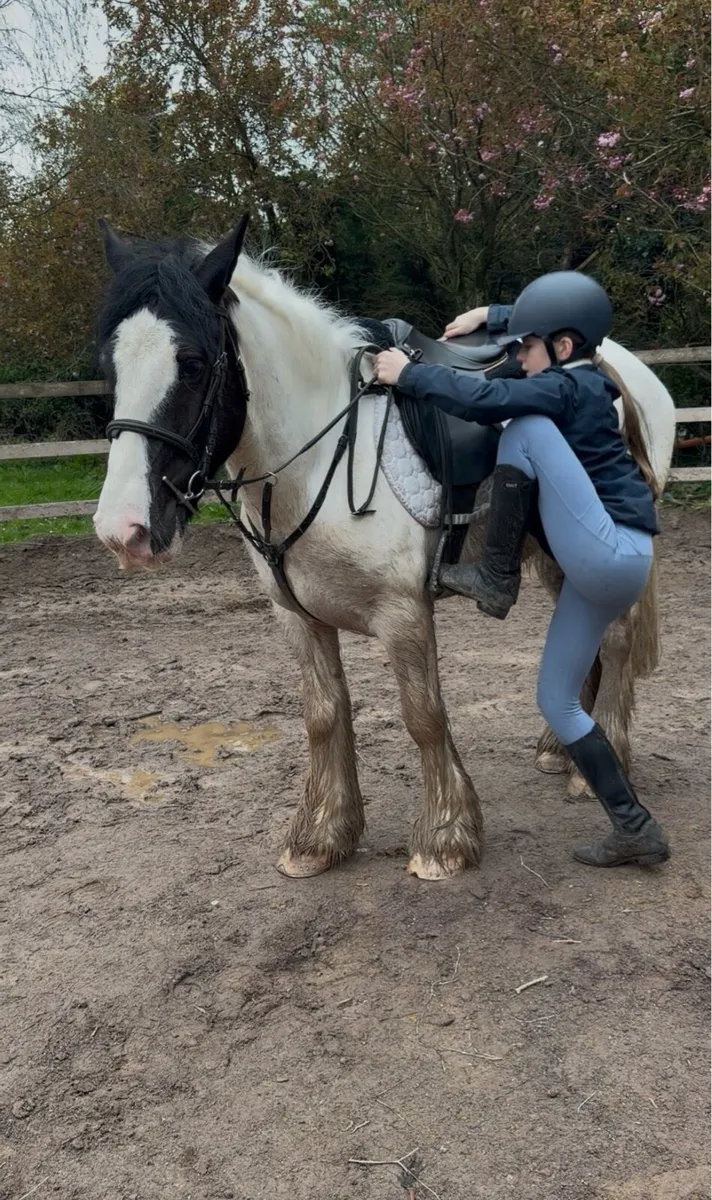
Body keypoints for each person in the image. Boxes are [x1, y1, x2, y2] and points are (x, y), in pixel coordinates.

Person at [373, 271, 670, 870]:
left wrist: (408, 375)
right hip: (598, 573)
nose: (516, 360)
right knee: (556, 699)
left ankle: (495, 571)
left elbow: (484, 400)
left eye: (525, 349)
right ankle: (635, 827)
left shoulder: (568, 389)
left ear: (561, 349)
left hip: (613, 553)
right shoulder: (569, 370)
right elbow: (556, 321)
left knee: (523, 428)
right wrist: (495, 312)